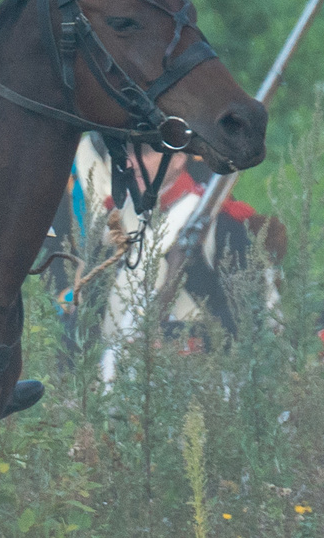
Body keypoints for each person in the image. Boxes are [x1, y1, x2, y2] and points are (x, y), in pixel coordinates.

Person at [62, 134, 286, 386]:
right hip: (111, 391)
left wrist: (171, 337)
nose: (130, 163)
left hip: (201, 392)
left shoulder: (220, 224)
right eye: (128, 152)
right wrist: (73, 380)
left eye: (145, 152)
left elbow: (250, 319)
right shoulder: (112, 222)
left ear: (179, 157)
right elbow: (85, 317)